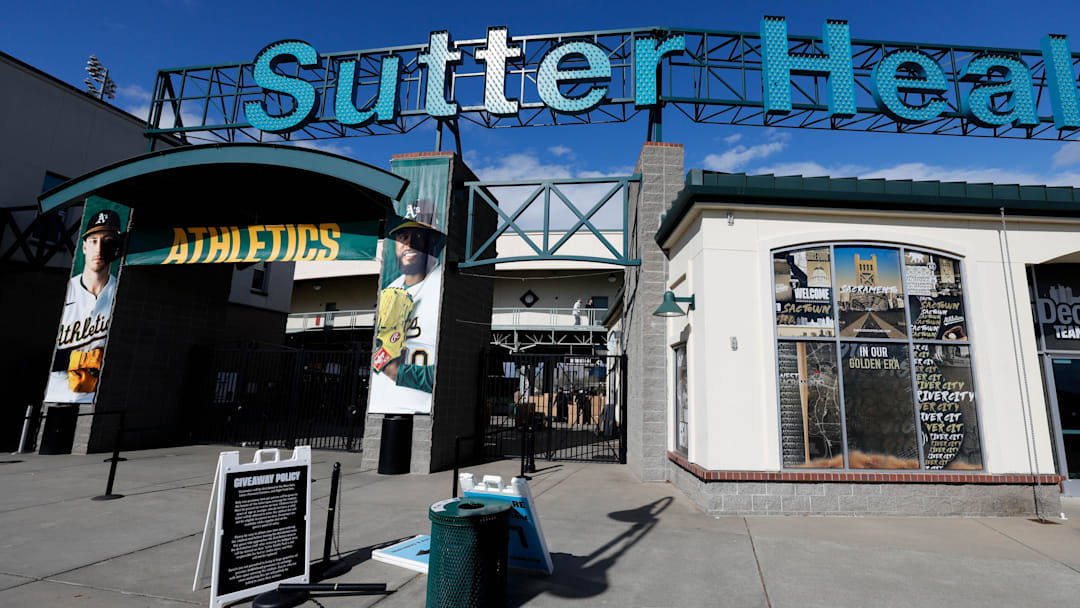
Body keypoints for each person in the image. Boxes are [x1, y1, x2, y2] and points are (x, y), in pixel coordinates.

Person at [369, 199, 444, 414]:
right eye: (403, 237)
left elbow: (447, 374)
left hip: (422, 409)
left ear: (434, 240)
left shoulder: (442, 287)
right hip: (383, 407)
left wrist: (397, 371)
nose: (409, 244)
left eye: (418, 236)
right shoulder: (390, 290)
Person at [46, 208, 123, 403]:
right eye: (93, 241)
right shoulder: (67, 289)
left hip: (97, 399)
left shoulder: (120, 292)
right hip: (57, 394)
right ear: (84, 247)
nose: (99, 249)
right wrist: (82, 359)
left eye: (107, 241)